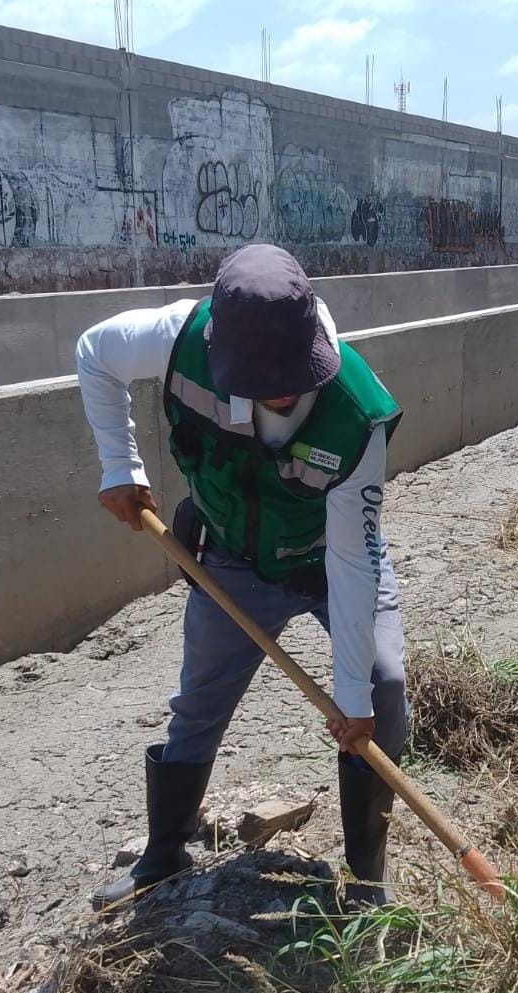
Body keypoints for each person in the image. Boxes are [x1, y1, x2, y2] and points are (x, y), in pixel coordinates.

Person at [75, 243, 408, 908]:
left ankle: (367, 880)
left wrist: (351, 697)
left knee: (382, 686)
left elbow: (352, 560)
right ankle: (163, 855)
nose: (281, 390)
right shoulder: (179, 339)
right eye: (260, 378)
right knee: (198, 703)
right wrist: (119, 466)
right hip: (230, 558)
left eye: (292, 374)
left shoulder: (356, 415)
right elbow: (94, 353)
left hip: (326, 559)